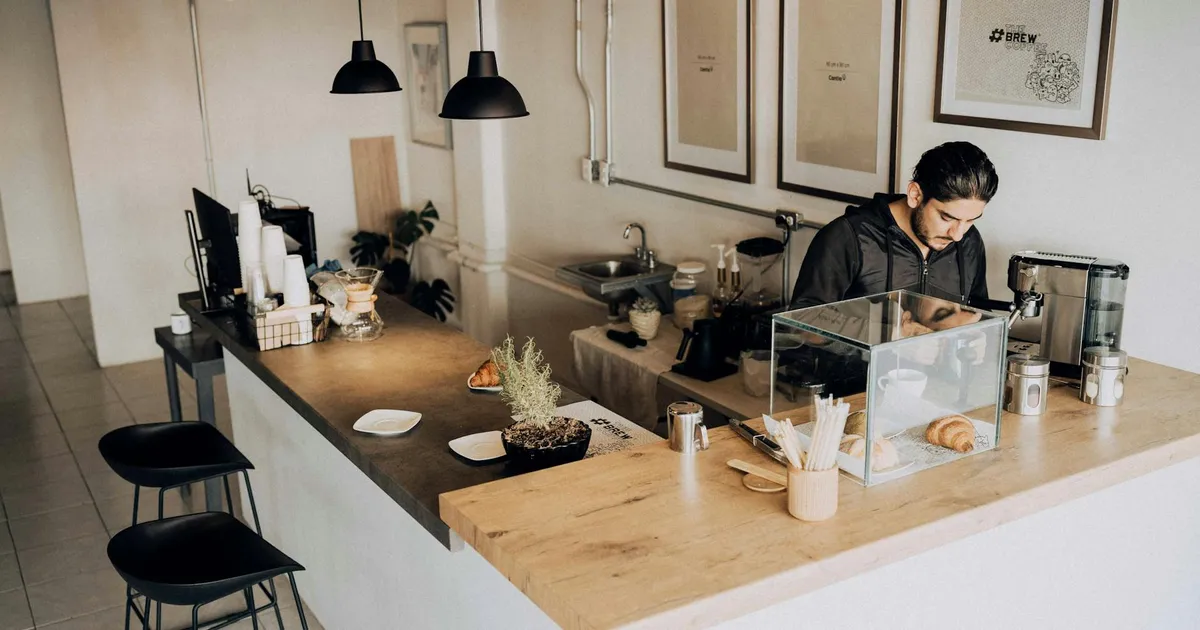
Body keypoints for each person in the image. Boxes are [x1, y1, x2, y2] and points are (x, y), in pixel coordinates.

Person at [790, 141, 999, 309]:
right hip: (857, 363)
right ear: (915, 195)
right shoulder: (848, 237)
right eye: (947, 218)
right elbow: (802, 322)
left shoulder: (969, 241)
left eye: (970, 220)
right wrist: (886, 331)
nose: (957, 235)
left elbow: (977, 311)